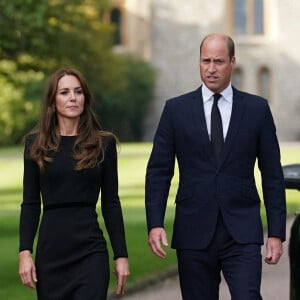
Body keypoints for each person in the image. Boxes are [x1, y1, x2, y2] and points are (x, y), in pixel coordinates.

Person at [145, 33, 286, 299]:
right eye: (205, 61)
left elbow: (272, 175)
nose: (211, 68)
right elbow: (159, 172)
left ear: (233, 62)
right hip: (193, 230)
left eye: (219, 61)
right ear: (199, 62)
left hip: (242, 231)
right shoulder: (175, 110)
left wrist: (276, 232)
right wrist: (155, 222)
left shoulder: (257, 109)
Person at [18, 67, 130, 299]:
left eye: (78, 92)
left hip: (90, 251)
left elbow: (111, 203)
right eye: (65, 92)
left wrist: (121, 255)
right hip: (51, 254)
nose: (72, 97)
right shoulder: (35, 145)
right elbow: (30, 204)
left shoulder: (104, 144)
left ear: (85, 98)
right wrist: (25, 251)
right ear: (52, 100)